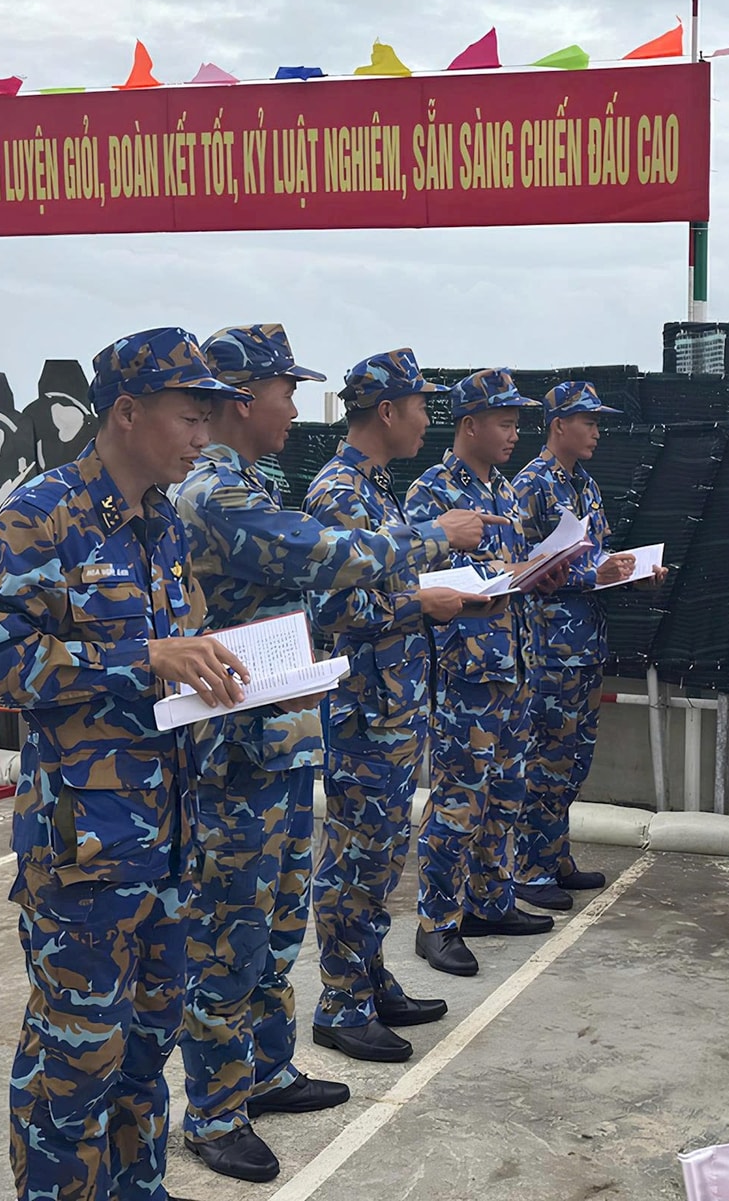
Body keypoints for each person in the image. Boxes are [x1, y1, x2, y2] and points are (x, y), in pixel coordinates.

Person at [171, 325, 493, 1182]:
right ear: (244, 397)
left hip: (278, 735)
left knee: (276, 926)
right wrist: (435, 539)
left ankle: (266, 1070)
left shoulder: (252, 482)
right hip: (233, 752)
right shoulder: (217, 493)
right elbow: (327, 558)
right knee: (230, 936)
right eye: (286, 390)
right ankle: (213, 1111)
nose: (294, 407)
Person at [0, 326, 255, 1201]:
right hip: (83, 849)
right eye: (189, 416)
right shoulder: (42, 514)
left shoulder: (164, 525)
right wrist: (143, 659)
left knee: (146, 1048)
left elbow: (178, 657)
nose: (203, 436)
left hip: (170, 841)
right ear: (128, 412)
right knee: (75, 1061)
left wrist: (229, 672)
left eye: (208, 418)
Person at [304, 348, 493, 1064]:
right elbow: (329, 607)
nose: (426, 420)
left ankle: (368, 977)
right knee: (356, 855)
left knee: (382, 854)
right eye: (420, 406)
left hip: (393, 705)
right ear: (386, 411)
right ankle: (341, 1003)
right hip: (363, 711)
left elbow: (382, 581)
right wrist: (422, 603)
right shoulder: (338, 492)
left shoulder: (375, 489)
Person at [407, 369, 555, 977]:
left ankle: (490, 901)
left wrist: (536, 570)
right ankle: (437, 923)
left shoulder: (506, 492)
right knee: (458, 801)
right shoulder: (431, 494)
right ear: (469, 425)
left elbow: (509, 569)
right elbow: (419, 580)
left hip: (513, 665)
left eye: (518, 423)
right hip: (465, 672)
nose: (515, 434)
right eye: (505, 423)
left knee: (507, 791)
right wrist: (499, 575)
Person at [510, 381, 662, 910]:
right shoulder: (530, 485)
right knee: (547, 759)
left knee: (574, 759)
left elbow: (595, 556)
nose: (597, 432)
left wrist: (629, 572)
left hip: (587, 643)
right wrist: (591, 574)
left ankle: (555, 856)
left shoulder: (585, 485)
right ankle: (529, 871)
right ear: (559, 426)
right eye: (589, 422)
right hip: (549, 648)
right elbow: (517, 566)